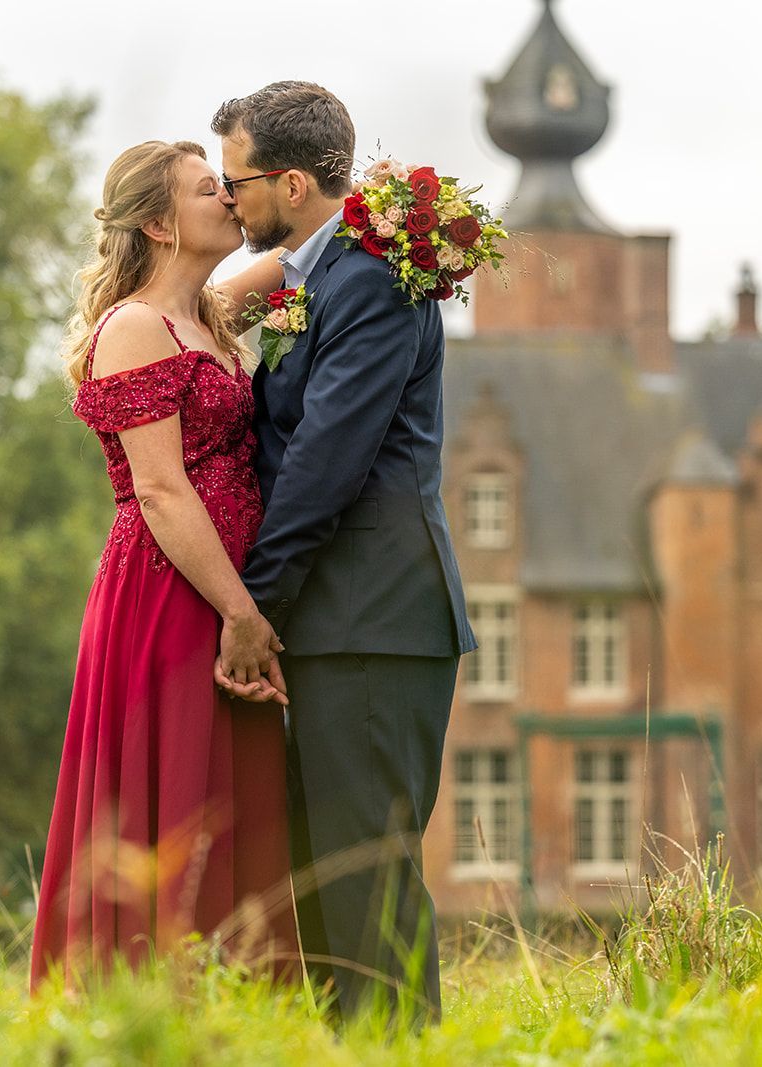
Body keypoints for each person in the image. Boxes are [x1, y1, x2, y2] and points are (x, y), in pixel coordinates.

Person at [212, 82, 476, 1027]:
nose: (224, 195)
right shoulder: (311, 278)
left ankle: (401, 1046)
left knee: (368, 873)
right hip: (340, 620)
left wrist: (254, 610)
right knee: (325, 878)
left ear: (289, 182)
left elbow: (324, 464)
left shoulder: (368, 276)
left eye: (233, 178)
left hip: (376, 615)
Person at [29, 139, 299, 993]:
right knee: (171, 794)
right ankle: (143, 1004)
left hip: (220, 594)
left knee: (229, 797)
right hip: (170, 594)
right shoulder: (137, 327)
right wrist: (241, 613)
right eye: (204, 189)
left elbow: (305, 249)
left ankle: (231, 1001)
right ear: (156, 221)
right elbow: (161, 490)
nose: (228, 197)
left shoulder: (211, 316)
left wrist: (402, 215)